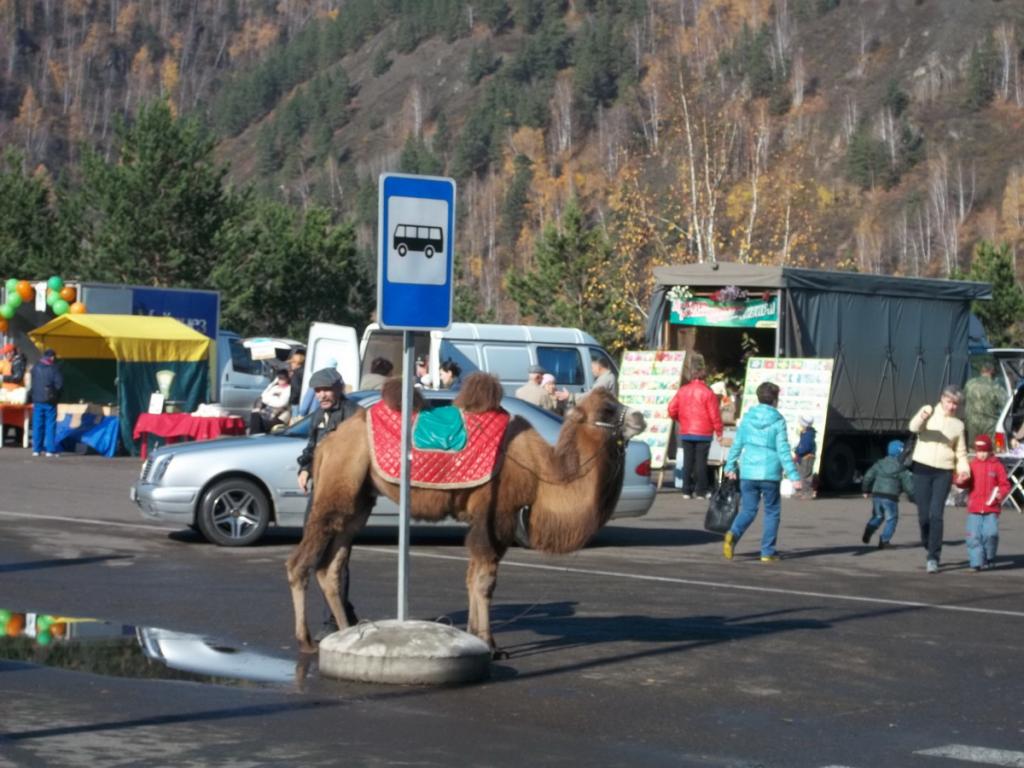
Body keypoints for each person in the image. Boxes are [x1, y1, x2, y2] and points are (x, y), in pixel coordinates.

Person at [297, 367, 362, 638]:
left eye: (326, 390)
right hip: (320, 491)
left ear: (339, 389)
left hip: (343, 494)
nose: (322, 395)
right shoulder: (318, 415)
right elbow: (312, 447)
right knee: (315, 553)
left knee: (336, 558)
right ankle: (345, 613)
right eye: (318, 391)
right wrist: (305, 468)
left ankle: (332, 623)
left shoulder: (354, 415)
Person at [722, 381, 802, 562]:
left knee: (748, 510)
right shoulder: (778, 420)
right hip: (770, 473)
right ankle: (767, 552)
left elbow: (737, 444)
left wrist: (730, 466)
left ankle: (733, 533)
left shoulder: (747, 418)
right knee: (772, 512)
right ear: (775, 400)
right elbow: (783, 450)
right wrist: (793, 475)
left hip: (748, 472)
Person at [909, 385, 970, 574]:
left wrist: (964, 470)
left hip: (944, 472)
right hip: (921, 468)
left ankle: (933, 557)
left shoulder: (958, 425)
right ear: (942, 398)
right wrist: (923, 416)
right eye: (949, 401)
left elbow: (961, 452)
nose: (952, 406)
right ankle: (928, 541)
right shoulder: (929, 412)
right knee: (923, 516)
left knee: (936, 514)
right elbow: (913, 427)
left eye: (955, 404)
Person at [666, 364, 723, 499]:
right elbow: (714, 415)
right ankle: (701, 491)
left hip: (686, 430)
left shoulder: (682, 390)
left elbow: (671, 409)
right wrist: (719, 432)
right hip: (704, 432)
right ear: (704, 378)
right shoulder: (708, 393)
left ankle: (686, 490)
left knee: (688, 461)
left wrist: (679, 419)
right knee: (701, 462)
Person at [959, 434, 1010, 571]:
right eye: (979, 451)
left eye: (985, 451)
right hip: (974, 508)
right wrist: (961, 480)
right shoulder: (972, 465)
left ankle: (989, 556)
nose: (982, 454)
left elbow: (1005, 484)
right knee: (973, 536)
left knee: (991, 534)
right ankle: (976, 563)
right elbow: (965, 483)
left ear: (990, 450)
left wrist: (1001, 494)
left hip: (991, 508)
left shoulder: (997, 465)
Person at [861, 439, 915, 548]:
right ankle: (884, 541)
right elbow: (908, 486)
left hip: (877, 494)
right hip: (890, 497)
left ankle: (869, 530)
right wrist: (913, 497)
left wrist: (865, 490)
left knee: (878, 516)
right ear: (901, 452)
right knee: (891, 519)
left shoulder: (879, 463)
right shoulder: (901, 467)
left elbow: (868, 476)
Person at [29, 348, 63, 457]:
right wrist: (56, 395)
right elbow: (59, 385)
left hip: (37, 399)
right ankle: (50, 450)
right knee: (50, 425)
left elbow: (32, 383)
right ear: (52, 357)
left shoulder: (35, 367)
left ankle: (36, 449)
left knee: (37, 424)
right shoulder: (54, 368)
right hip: (50, 401)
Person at [963, 362, 1005, 444]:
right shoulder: (995, 385)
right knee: (994, 447)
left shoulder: (969, 383)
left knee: (974, 448)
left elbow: (963, 400)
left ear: (981, 371)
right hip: (990, 426)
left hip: (971, 424)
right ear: (992, 371)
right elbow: (1006, 405)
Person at [250, 368, 291, 434]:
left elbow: (281, 403)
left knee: (258, 422)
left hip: (278, 415)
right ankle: (254, 435)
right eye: (279, 378)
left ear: (287, 379)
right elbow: (263, 396)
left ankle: (254, 436)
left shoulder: (288, 389)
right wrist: (273, 383)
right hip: (268, 413)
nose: (281, 381)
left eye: (283, 379)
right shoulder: (275, 387)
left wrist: (269, 400)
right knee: (255, 414)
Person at [792, 416, 817, 499]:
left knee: (806, 475)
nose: (800, 425)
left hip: (807, 457)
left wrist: (797, 450)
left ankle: (808, 493)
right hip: (802, 457)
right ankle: (801, 491)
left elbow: (805, 448)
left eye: (801, 423)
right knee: (801, 474)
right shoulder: (805, 433)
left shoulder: (808, 434)